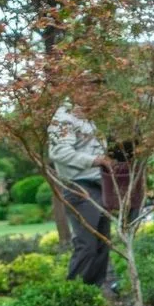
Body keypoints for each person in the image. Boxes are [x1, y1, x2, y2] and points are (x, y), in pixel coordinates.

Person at [48, 98, 117, 288]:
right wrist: (96, 160)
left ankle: (95, 294)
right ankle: (74, 295)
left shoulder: (87, 118)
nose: (95, 91)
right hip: (79, 187)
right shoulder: (64, 118)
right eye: (90, 86)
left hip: (98, 185)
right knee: (87, 246)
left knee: (101, 245)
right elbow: (59, 153)